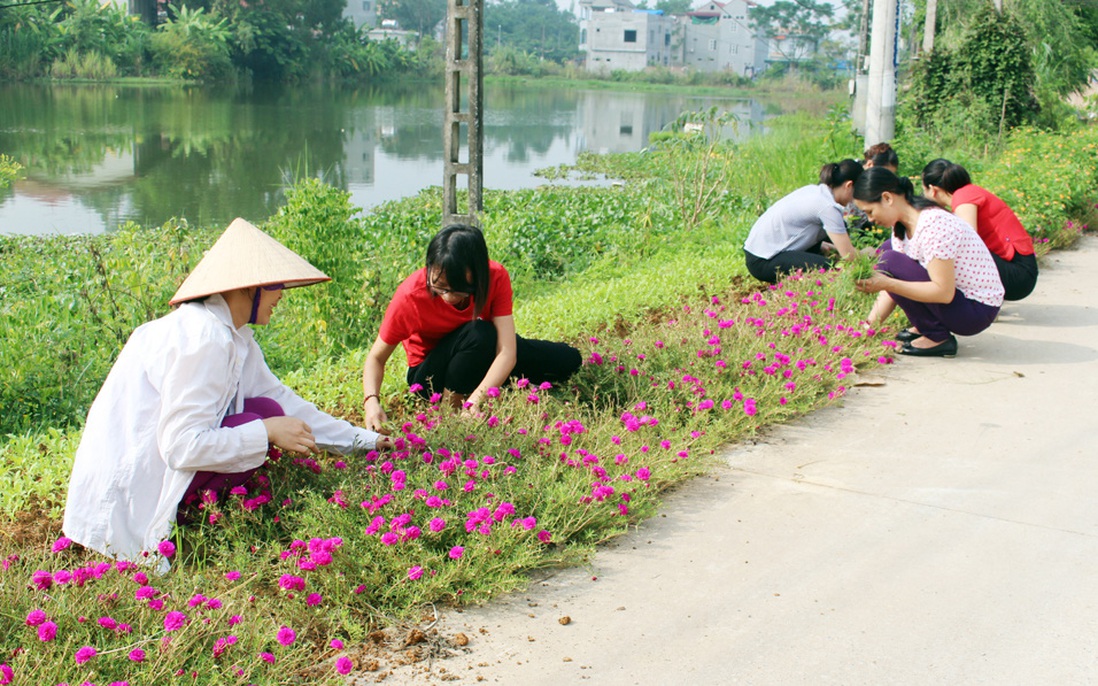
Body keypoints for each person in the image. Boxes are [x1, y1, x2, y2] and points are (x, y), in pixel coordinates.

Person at [63, 218, 391, 563]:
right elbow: (180, 446)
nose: (280, 296)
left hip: (144, 475)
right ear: (246, 287)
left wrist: (362, 441)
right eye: (275, 285)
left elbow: (283, 402)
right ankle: (185, 528)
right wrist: (265, 431)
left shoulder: (230, 336)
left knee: (266, 408)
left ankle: (198, 515)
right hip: (128, 498)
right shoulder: (205, 339)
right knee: (261, 418)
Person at [362, 224, 582, 430]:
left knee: (568, 359)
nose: (447, 297)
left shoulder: (495, 277)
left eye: (458, 290)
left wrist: (477, 398)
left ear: (478, 276)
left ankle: (477, 395)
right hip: (429, 376)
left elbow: (507, 351)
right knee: (480, 333)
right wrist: (371, 401)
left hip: (479, 353)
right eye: (439, 287)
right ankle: (451, 412)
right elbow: (376, 358)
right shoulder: (410, 295)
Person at [852, 168, 1005, 357]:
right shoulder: (902, 227)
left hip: (976, 310)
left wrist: (887, 282)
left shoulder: (934, 225)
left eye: (870, 211)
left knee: (888, 259)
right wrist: (868, 327)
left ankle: (937, 337)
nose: (870, 219)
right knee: (887, 254)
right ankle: (928, 328)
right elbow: (892, 288)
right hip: (960, 301)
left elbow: (943, 293)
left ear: (887, 198)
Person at [921, 159, 1038, 301]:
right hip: (1020, 270)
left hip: (1019, 275)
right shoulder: (968, 192)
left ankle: (973, 305)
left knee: (947, 255)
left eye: (924, 190)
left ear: (933, 190)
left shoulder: (963, 196)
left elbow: (966, 241)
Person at [743, 159, 864, 284]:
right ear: (849, 186)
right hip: (764, 261)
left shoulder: (815, 190)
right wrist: (866, 254)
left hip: (757, 251)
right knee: (827, 268)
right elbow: (849, 256)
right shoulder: (827, 207)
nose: (854, 201)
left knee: (839, 227)